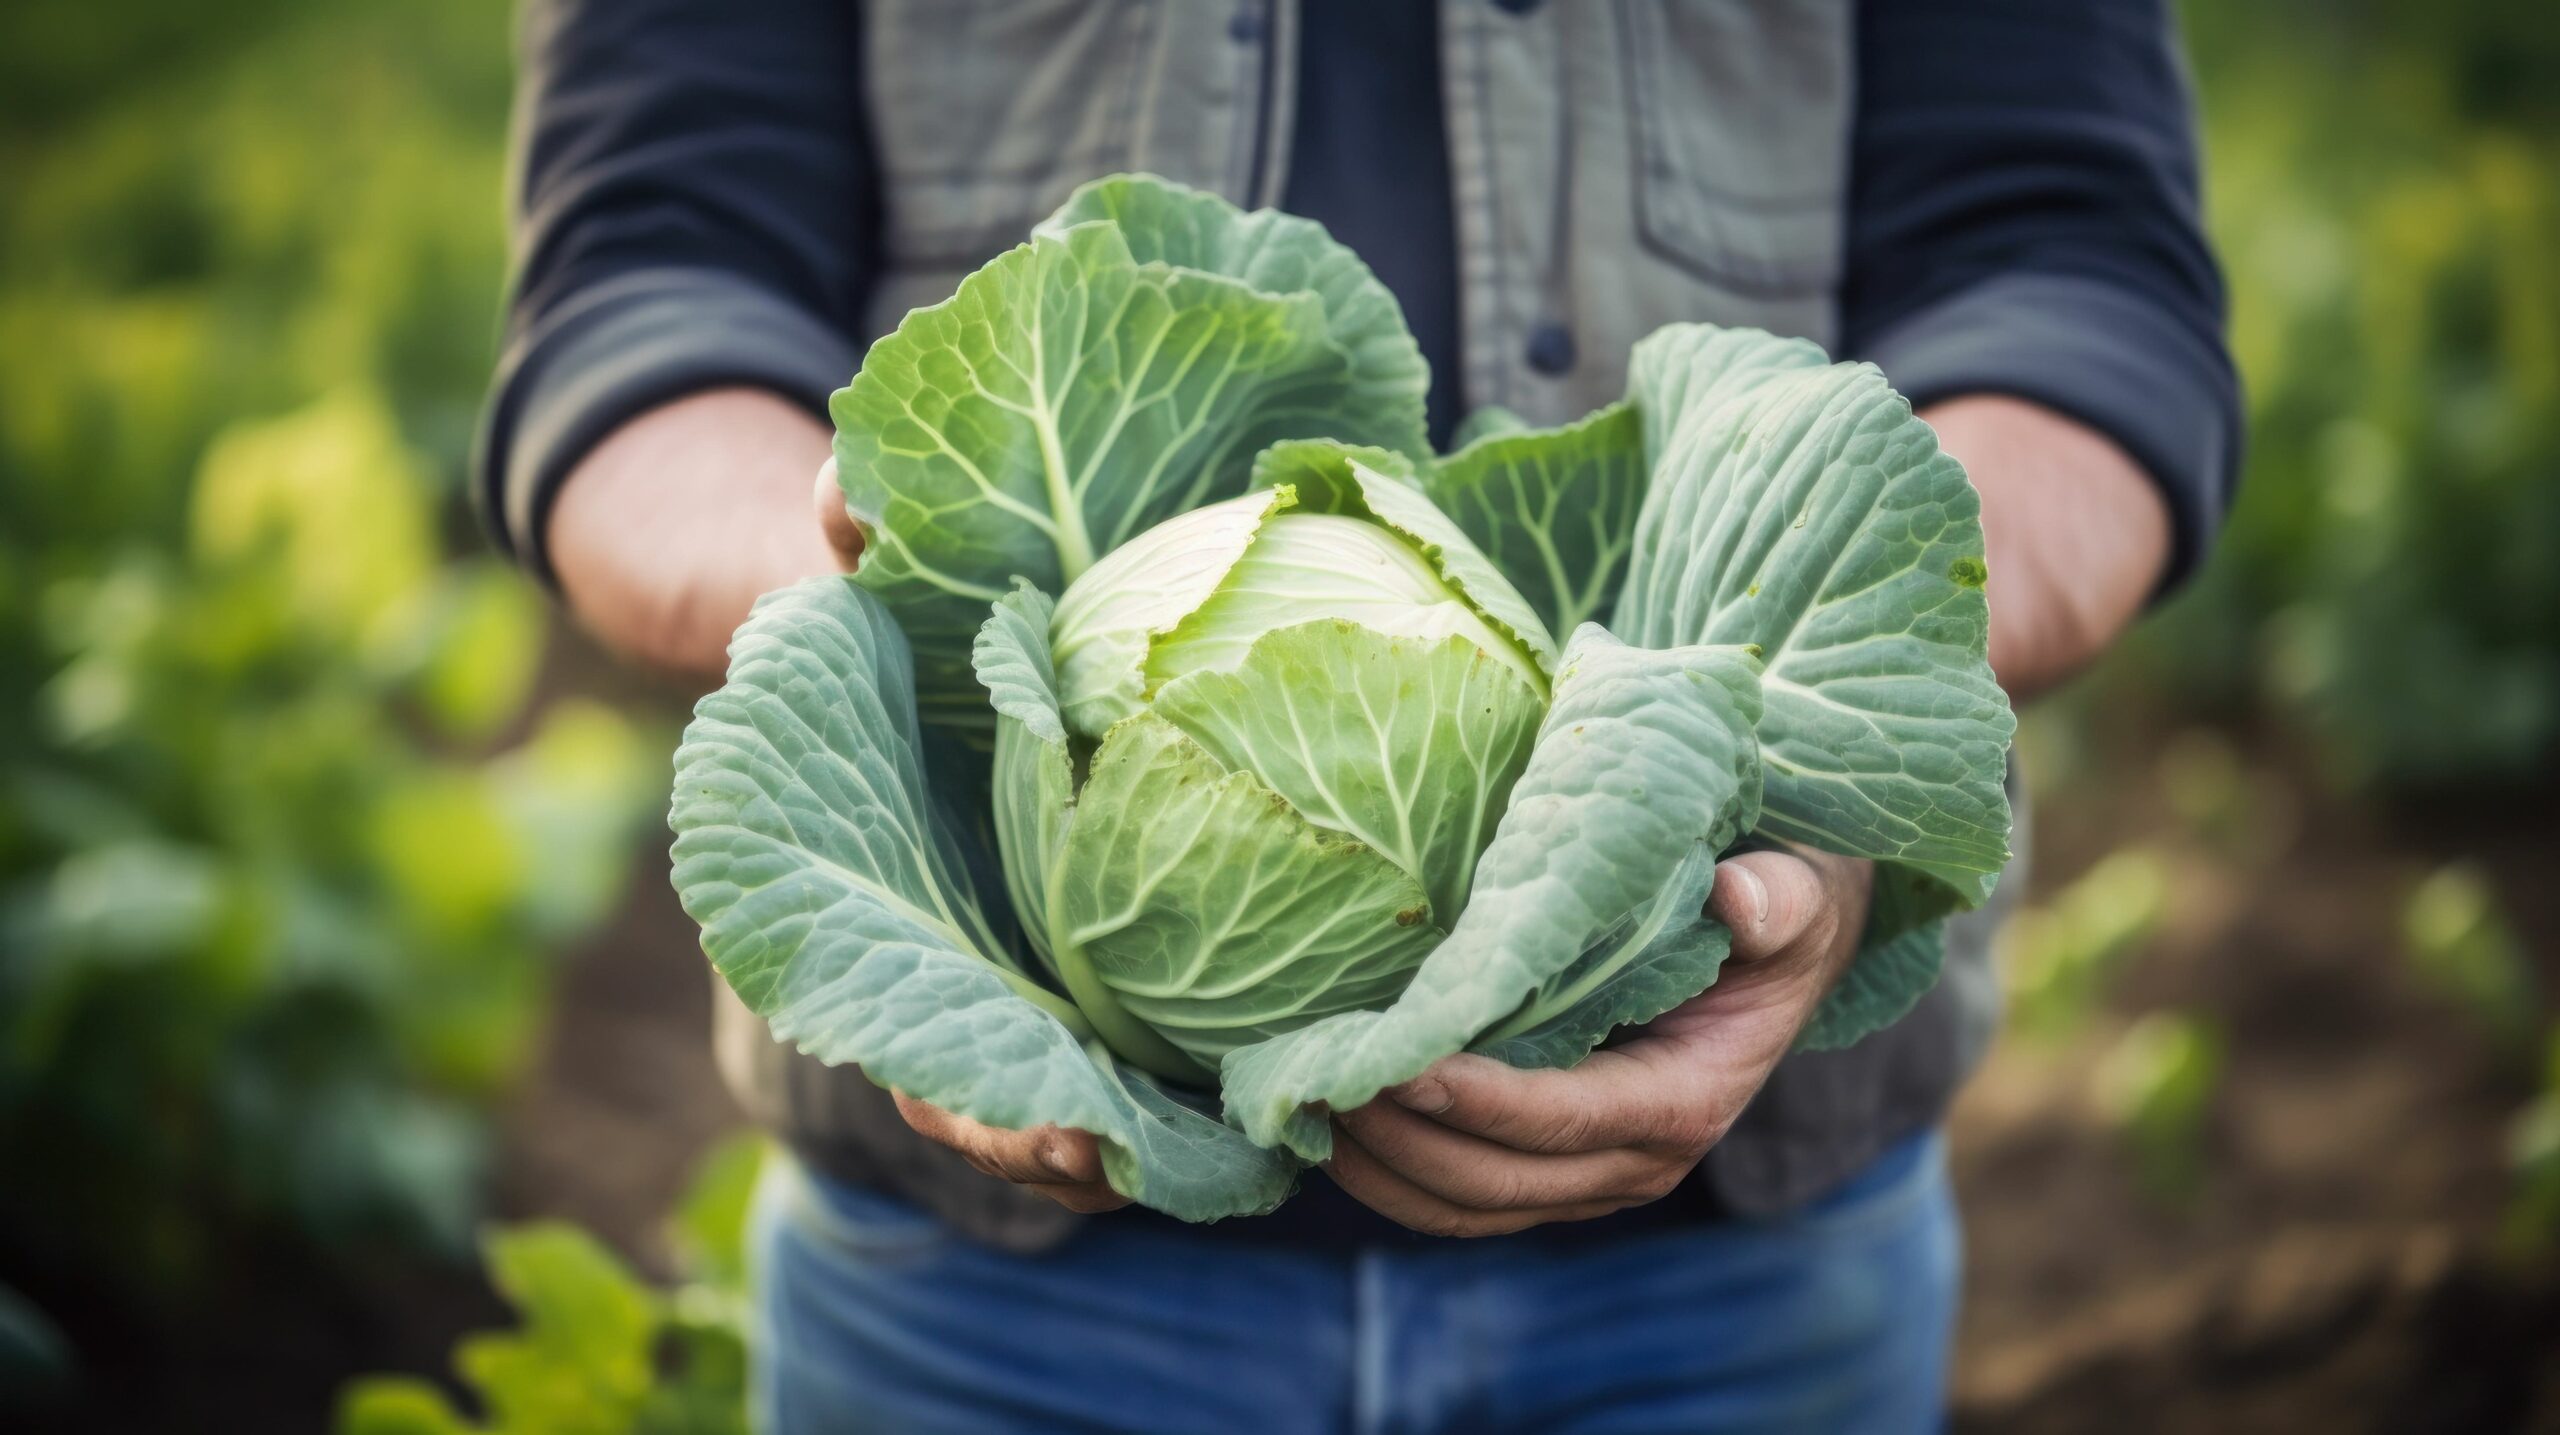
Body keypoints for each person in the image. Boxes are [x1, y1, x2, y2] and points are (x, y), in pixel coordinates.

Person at [481, 2, 2236, 1429]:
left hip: (1732, 1288)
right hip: (987, 1308)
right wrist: (884, 596)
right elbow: (643, 288)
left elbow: (2074, 280)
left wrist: (1798, 788)